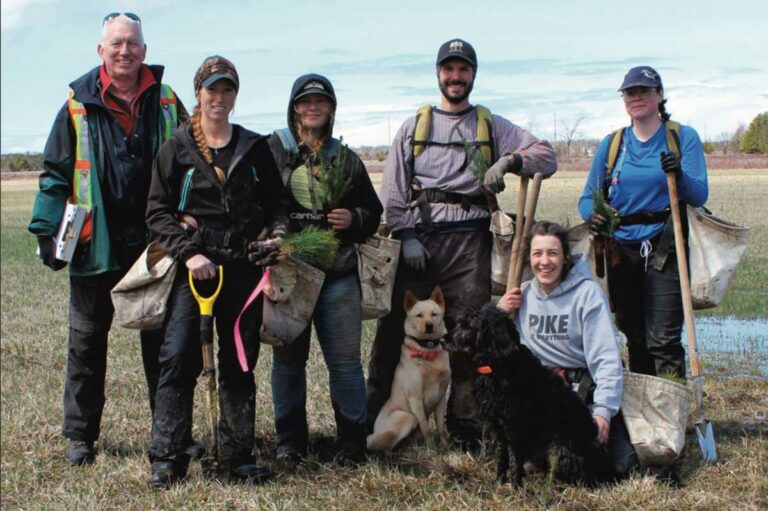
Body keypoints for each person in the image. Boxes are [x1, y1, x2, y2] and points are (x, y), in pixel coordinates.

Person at [367, 38, 557, 449]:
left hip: (471, 242)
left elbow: (547, 155)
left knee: (471, 336)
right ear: (438, 74)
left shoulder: (490, 125)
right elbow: (393, 191)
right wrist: (406, 235)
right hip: (420, 244)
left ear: (473, 74)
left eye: (463, 69)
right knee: (392, 336)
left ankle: (465, 426)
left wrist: (510, 161)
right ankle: (374, 418)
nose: (456, 77)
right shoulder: (414, 126)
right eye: (449, 69)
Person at [28, 12, 187, 466]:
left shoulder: (169, 101)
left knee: (164, 347)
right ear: (101, 51)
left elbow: (193, 160)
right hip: (93, 243)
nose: (125, 51)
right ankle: (81, 437)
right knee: (86, 343)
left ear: (144, 50)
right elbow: (56, 174)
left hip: (154, 244)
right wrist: (45, 230)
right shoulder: (76, 105)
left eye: (133, 43)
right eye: (116, 43)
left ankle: (170, 433)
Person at [145, 56, 288, 488]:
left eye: (227, 90)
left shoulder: (255, 146)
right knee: (177, 355)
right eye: (212, 90)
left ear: (235, 95)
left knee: (241, 361)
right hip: (197, 271)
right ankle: (168, 457)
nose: (219, 99)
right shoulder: (177, 148)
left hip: (243, 269)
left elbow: (279, 206)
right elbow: (157, 212)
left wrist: (277, 235)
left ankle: (238, 455)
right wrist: (189, 253)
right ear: (199, 94)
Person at [267, 74, 383, 467]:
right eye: (306, 101)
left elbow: (373, 211)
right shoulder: (275, 150)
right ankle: (290, 442)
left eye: (321, 101)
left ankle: (352, 443)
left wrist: (354, 217)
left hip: (338, 276)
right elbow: (259, 203)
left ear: (331, 109)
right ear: (295, 107)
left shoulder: (346, 158)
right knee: (287, 363)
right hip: (289, 276)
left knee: (346, 364)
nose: (313, 107)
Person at [578, 66, 708, 379]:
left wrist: (678, 173)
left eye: (644, 91)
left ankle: (671, 411)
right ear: (624, 99)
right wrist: (593, 216)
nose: (637, 97)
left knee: (662, 338)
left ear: (659, 95)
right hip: (621, 249)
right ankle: (646, 409)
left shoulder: (682, 137)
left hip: (666, 243)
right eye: (630, 92)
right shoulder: (613, 144)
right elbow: (587, 199)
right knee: (634, 334)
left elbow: (699, 193)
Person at [497, 221, 639, 477]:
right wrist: (499, 313)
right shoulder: (523, 296)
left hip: (581, 394)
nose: (545, 262)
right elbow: (491, 348)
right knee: (548, 463)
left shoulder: (588, 295)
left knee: (621, 467)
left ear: (565, 257)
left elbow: (606, 358)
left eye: (553, 253)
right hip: (541, 396)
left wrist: (603, 412)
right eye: (537, 254)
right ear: (529, 258)